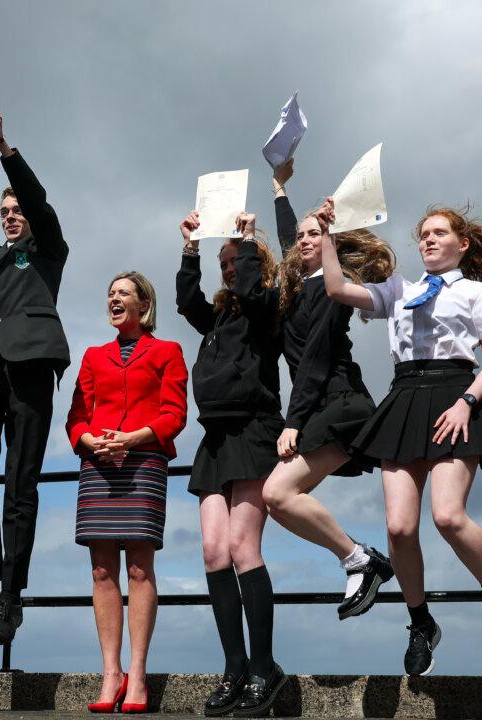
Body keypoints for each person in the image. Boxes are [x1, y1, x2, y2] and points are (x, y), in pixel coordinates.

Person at [322, 200, 482, 676]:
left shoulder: (478, 292)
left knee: (448, 516)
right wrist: (330, 240)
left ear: (462, 242)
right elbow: (336, 288)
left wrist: (468, 403)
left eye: (438, 233)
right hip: (405, 397)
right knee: (398, 528)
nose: (429, 240)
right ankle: (421, 624)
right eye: (423, 235)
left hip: (457, 395)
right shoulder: (400, 288)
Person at [243, 165, 394, 714]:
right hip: (322, 407)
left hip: (340, 403)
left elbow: (314, 362)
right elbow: (289, 241)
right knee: (279, 495)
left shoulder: (331, 292)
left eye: (316, 235)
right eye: (302, 236)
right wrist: (280, 189)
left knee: (278, 494)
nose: (305, 241)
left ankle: (359, 559)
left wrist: (292, 421)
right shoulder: (298, 281)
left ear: (329, 243)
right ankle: (359, 559)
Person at [0, 103, 70, 646]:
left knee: (20, 485)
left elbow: (38, 199)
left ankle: (11, 597)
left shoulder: (48, 250)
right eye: (3, 210)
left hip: (31, 366)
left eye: (15, 207)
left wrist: (3, 145)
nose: (10, 214)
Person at [175, 210, 283, 717]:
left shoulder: (264, 308)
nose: (229, 269)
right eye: (223, 263)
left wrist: (244, 240)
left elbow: (257, 290)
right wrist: (191, 248)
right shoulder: (218, 316)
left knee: (243, 548)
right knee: (215, 553)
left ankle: (264, 667)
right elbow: (185, 300)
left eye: (234, 262)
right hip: (215, 438)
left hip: (254, 432)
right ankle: (235, 666)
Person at [66, 271, 187, 715]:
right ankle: (110, 673)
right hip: (98, 465)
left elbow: (175, 414)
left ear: (143, 304)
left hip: (143, 462)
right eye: (110, 293)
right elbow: (76, 415)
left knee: (139, 568)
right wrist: (87, 440)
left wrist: (134, 437)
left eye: (122, 293)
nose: (113, 298)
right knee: (101, 571)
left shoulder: (168, 351)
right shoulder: (93, 355)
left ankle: (137, 674)